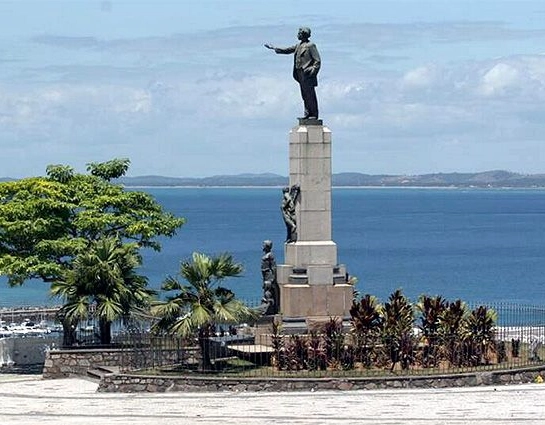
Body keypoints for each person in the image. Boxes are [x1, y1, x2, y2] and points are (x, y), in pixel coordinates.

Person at [265, 27, 321, 119]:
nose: (297, 35)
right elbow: (287, 50)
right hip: (300, 74)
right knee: (304, 95)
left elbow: (317, 61)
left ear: (303, 34)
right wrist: (274, 48)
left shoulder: (311, 46)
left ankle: (314, 115)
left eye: (299, 33)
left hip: (307, 74)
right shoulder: (298, 46)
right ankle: (307, 113)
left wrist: (312, 71)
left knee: (310, 95)